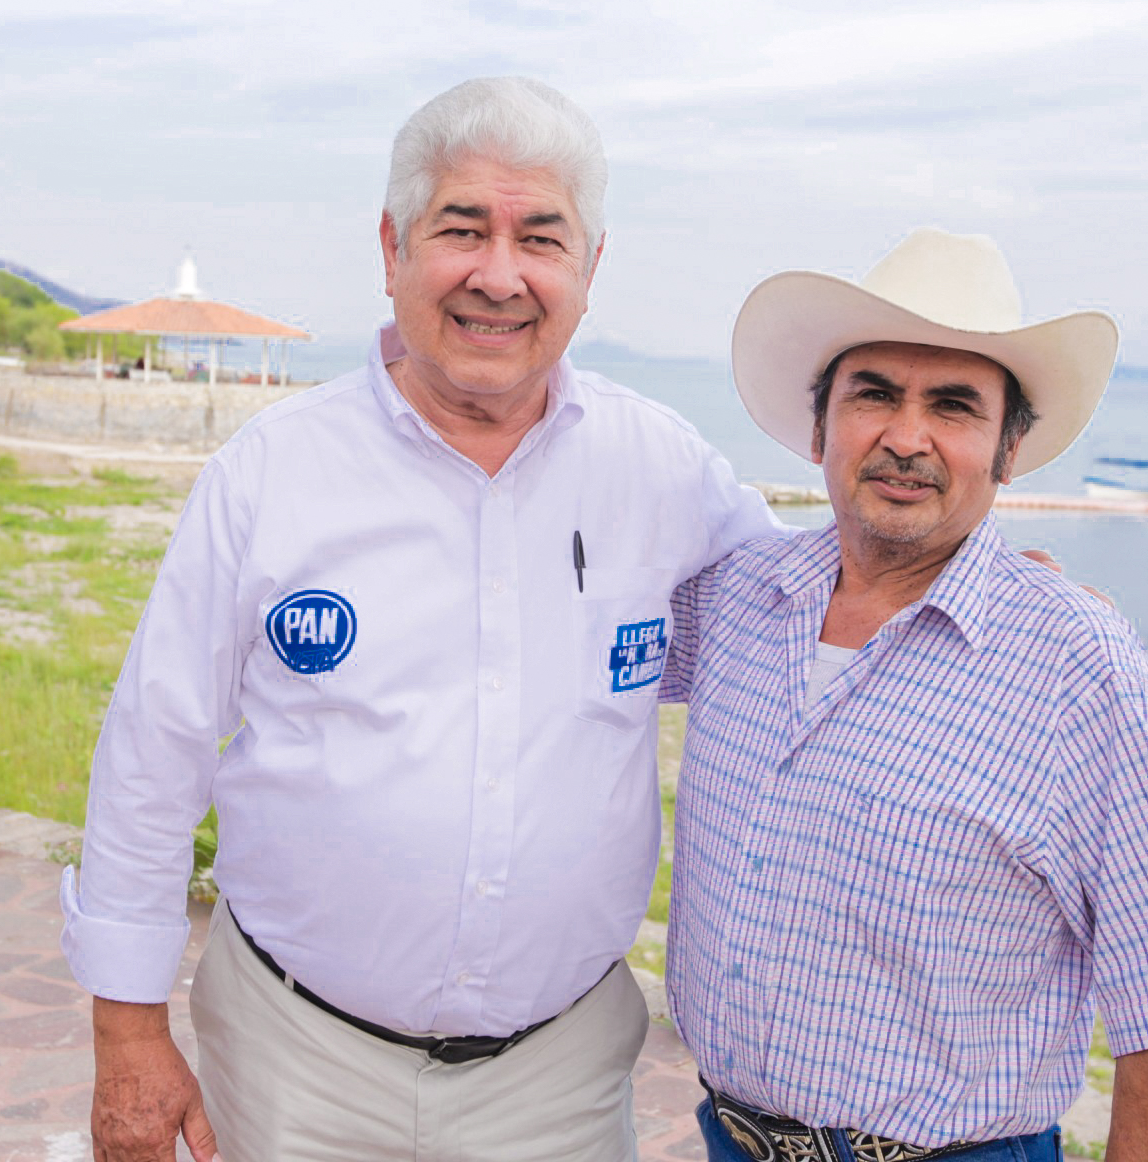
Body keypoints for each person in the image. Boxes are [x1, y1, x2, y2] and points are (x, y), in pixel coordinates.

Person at [61, 77, 783, 1162]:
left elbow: (819, 606)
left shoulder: (665, 466)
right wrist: (127, 1034)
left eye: (542, 237)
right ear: (393, 247)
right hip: (292, 1062)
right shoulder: (271, 471)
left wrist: (1000, 592)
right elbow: (152, 750)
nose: (500, 273)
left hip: (558, 1080)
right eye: (462, 229)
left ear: (591, 267)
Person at [661, 228, 1148, 1162]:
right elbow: (553, 644)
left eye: (953, 407)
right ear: (822, 421)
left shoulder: (1073, 661)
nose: (906, 438)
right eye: (874, 393)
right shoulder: (735, 596)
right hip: (729, 1140)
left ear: (1007, 449)